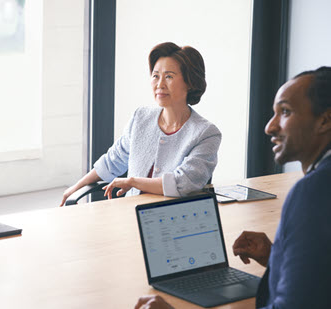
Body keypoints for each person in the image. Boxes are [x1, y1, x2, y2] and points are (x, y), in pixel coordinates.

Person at [135, 66, 331, 308]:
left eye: (285, 112)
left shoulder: (311, 193)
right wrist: (278, 257)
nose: (270, 126)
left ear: (325, 120)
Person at [60, 42, 221, 206]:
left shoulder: (206, 133)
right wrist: (75, 188)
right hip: (131, 214)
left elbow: (183, 183)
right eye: (156, 76)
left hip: (173, 220)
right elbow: (112, 162)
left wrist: (133, 182)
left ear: (190, 82)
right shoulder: (141, 118)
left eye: (169, 76)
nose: (160, 84)